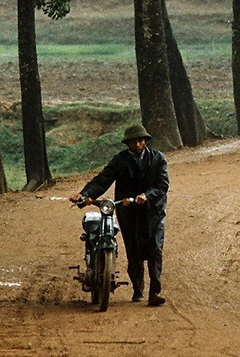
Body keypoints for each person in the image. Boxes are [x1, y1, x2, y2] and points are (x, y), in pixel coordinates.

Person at [72, 124, 169, 306]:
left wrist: (146, 196)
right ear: (128, 144)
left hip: (153, 212)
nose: (138, 144)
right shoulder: (120, 161)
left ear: (145, 141)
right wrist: (85, 195)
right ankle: (138, 290)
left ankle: (154, 293)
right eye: (134, 141)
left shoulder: (158, 159)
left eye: (141, 140)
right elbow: (103, 180)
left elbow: (162, 185)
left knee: (155, 250)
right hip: (129, 213)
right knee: (134, 251)